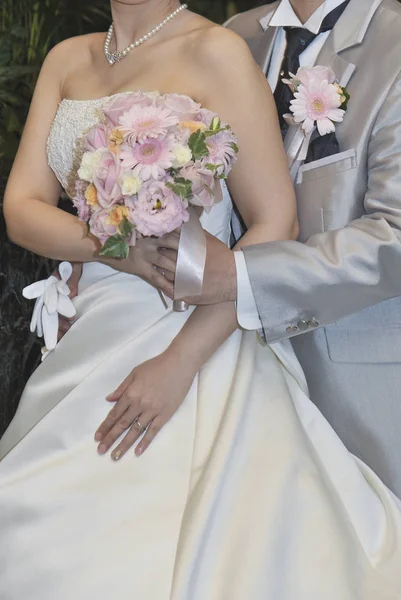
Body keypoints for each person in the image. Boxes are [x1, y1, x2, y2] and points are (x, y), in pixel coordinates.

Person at [0, 1, 401, 598]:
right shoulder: (72, 57)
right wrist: (112, 252)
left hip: (197, 325)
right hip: (90, 331)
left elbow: (274, 221)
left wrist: (182, 357)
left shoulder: (218, 49)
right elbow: (22, 207)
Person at [177, 0, 401, 498]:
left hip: (360, 398)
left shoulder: (395, 41)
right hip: (228, 382)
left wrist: (240, 276)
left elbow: (396, 236)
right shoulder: (232, 37)